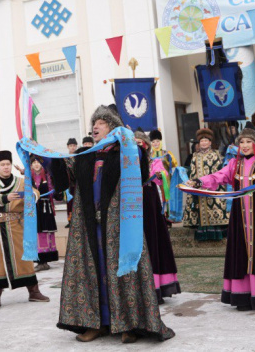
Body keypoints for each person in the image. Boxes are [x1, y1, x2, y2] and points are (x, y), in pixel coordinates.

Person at [51, 105, 174, 343]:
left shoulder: (126, 152)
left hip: (119, 228)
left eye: (102, 122)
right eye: (94, 122)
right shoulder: (84, 156)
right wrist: (52, 159)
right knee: (93, 273)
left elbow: (141, 168)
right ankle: (96, 323)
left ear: (113, 127)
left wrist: (128, 139)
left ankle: (129, 324)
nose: (95, 126)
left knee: (122, 274)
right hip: (88, 228)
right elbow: (63, 182)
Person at [186, 128, 255, 311]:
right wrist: (199, 181)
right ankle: (243, 296)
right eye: (241, 142)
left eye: (248, 142)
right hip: (238, 213)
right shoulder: (233, 164)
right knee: (240, 249)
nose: (244, 146)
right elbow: (218, 176)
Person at [0, 150, 50, 310]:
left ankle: (33, 291)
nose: (6, 167)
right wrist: (5, 198)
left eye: (8, 164)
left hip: (19, 226)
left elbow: (36, 193)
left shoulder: (21, 181)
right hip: (1, 228)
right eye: (2, 165)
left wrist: (29, 196)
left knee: (25, 258)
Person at [135, 129, 181, 304]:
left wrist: (160, 175)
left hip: (149, 203)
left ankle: (155, 285)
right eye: (134, 143)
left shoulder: (153, 161)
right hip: (132, 203)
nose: (137, 146)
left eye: (140, 143)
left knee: (152, 239)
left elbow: (162, 177)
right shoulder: (125, 162)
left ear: (145, 145)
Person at [185, 128, 227, 240]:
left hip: (213, 187)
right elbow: (193, 171)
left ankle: (216, 234)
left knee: (213, 208)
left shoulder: (216, 155)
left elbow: (219, 171)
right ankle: (203, 235)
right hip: (198, 187)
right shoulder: (195, 155)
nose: (203, 143)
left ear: (210, 142)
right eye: (201, 141)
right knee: (200, 208)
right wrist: (192, 182)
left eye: (206, 140)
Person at [31, 155, 60, 271]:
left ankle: (45, 261)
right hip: (34, 209)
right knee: (37, 233)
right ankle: (39, 261)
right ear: (31, 165)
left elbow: (53, 190)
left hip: (45, 207)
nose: (36, 164)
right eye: (34, 163)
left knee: (45, 232)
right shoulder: (29, 178)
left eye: (38, 162)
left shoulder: (48, 176)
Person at [64, 138, 79, 228]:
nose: (72, 147)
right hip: (69, 185)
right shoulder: (64, 158)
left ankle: (78, 221)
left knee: (78, 202)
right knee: (69, 203)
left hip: (77, 184)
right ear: (67, 147)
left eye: (74, 146)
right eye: (71, 146)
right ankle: (70, 221)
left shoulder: (79, 157)